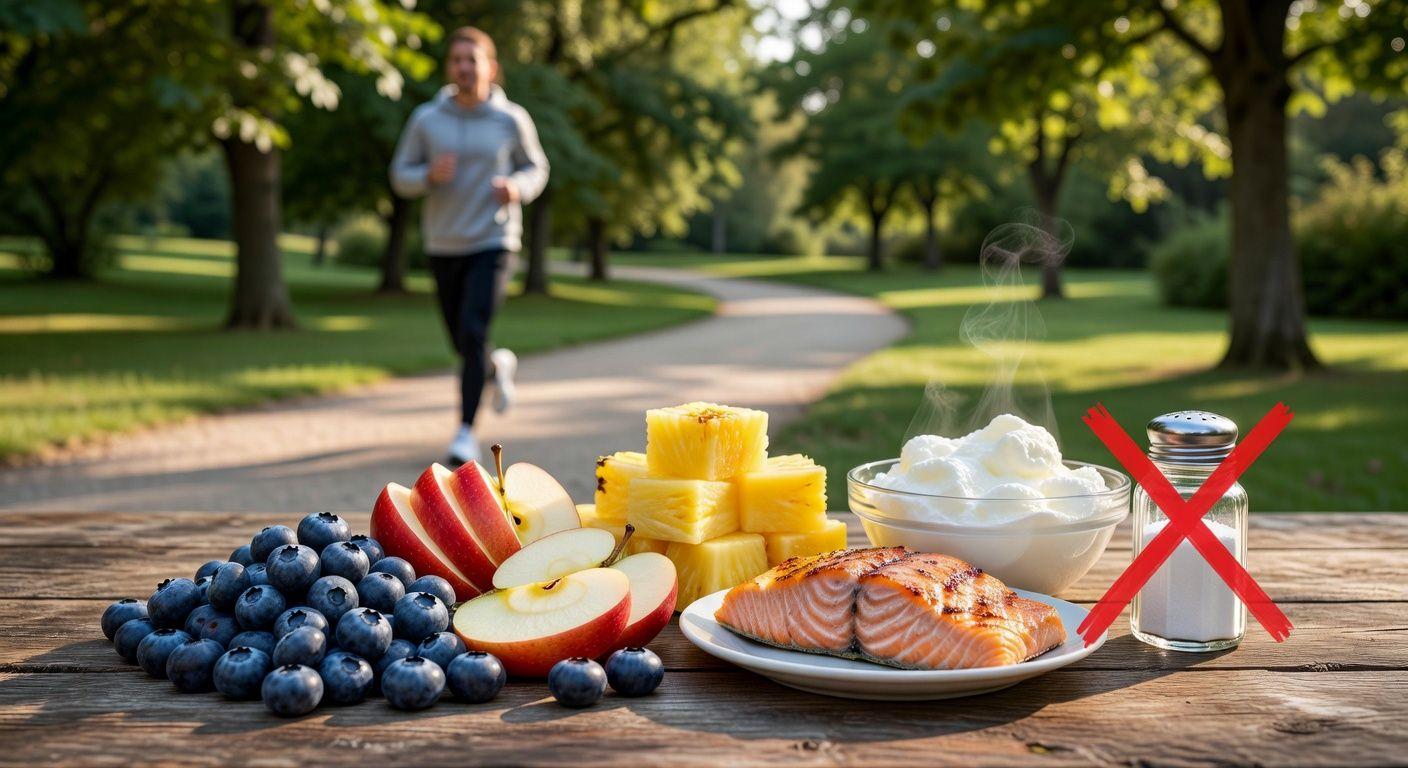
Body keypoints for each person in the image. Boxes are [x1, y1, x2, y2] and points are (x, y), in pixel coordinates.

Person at [390, 26, 549, 467]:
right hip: (444, 242)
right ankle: (495, 368)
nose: (464, 66)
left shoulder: (511, 118)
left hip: (494, 239)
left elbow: (537, 167)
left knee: (474, 328)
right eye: (456, 59)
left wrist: (517, 187)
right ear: (450, 68)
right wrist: (427, 176)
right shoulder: (426, 119)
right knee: (463, 341)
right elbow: (399, 175)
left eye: (472, 59)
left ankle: (464, 432)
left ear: (490, 67)